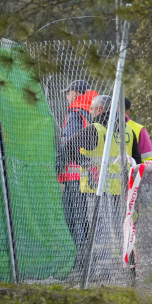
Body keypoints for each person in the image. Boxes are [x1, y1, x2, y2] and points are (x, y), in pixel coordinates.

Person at [61, 94, 140, 281]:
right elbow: (137, 160)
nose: (90, 113)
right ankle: (128, 269)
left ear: (99, 110)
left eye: (92, 109)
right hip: (122, 190)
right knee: (123, 231)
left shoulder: (95, 129)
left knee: (97, 233)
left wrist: (85, 163)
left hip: (96, 190)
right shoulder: (128, 131)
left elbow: (67, 147)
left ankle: (102, 273)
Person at [57, 79, 97, 267]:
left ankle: (80, 262)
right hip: (89, 173)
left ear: (75, 94)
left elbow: (68, 144)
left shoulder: (75, 114)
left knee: (73, 219)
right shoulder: (93, 112)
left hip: (74, 174)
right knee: (83, 219)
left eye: (68, 92)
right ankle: (86, 259)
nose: (67, 95)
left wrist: (59, 166)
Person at [125, 98, 152, 162]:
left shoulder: (139, 129)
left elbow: (148, 159)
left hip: (132, 171)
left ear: (127, 113)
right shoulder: (104, 126)